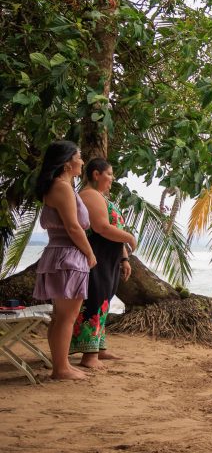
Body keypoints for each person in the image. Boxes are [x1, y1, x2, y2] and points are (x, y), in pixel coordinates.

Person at [32, 141, 97, 380]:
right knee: (66, 317)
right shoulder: (62, 188)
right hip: (68, 256)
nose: (82, 161)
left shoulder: (59, 186)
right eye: (79, 157)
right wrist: (90, 253)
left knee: (60, 317)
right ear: (68, 162)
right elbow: (73, 226)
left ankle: (61, 365)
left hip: (59, 254)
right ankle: (61, 368)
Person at [70, 158, 137, 369]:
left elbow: (111, 232)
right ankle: (89, 357)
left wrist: (124, 257)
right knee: (95, 300)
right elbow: (102, 228)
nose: (112, 179)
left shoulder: (100, 196)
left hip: (109, 259)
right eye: (109, 174)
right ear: (96, 174)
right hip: (95, 257)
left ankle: (99, 349)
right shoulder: (89, 195)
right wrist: (130, 237)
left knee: (103, 302)